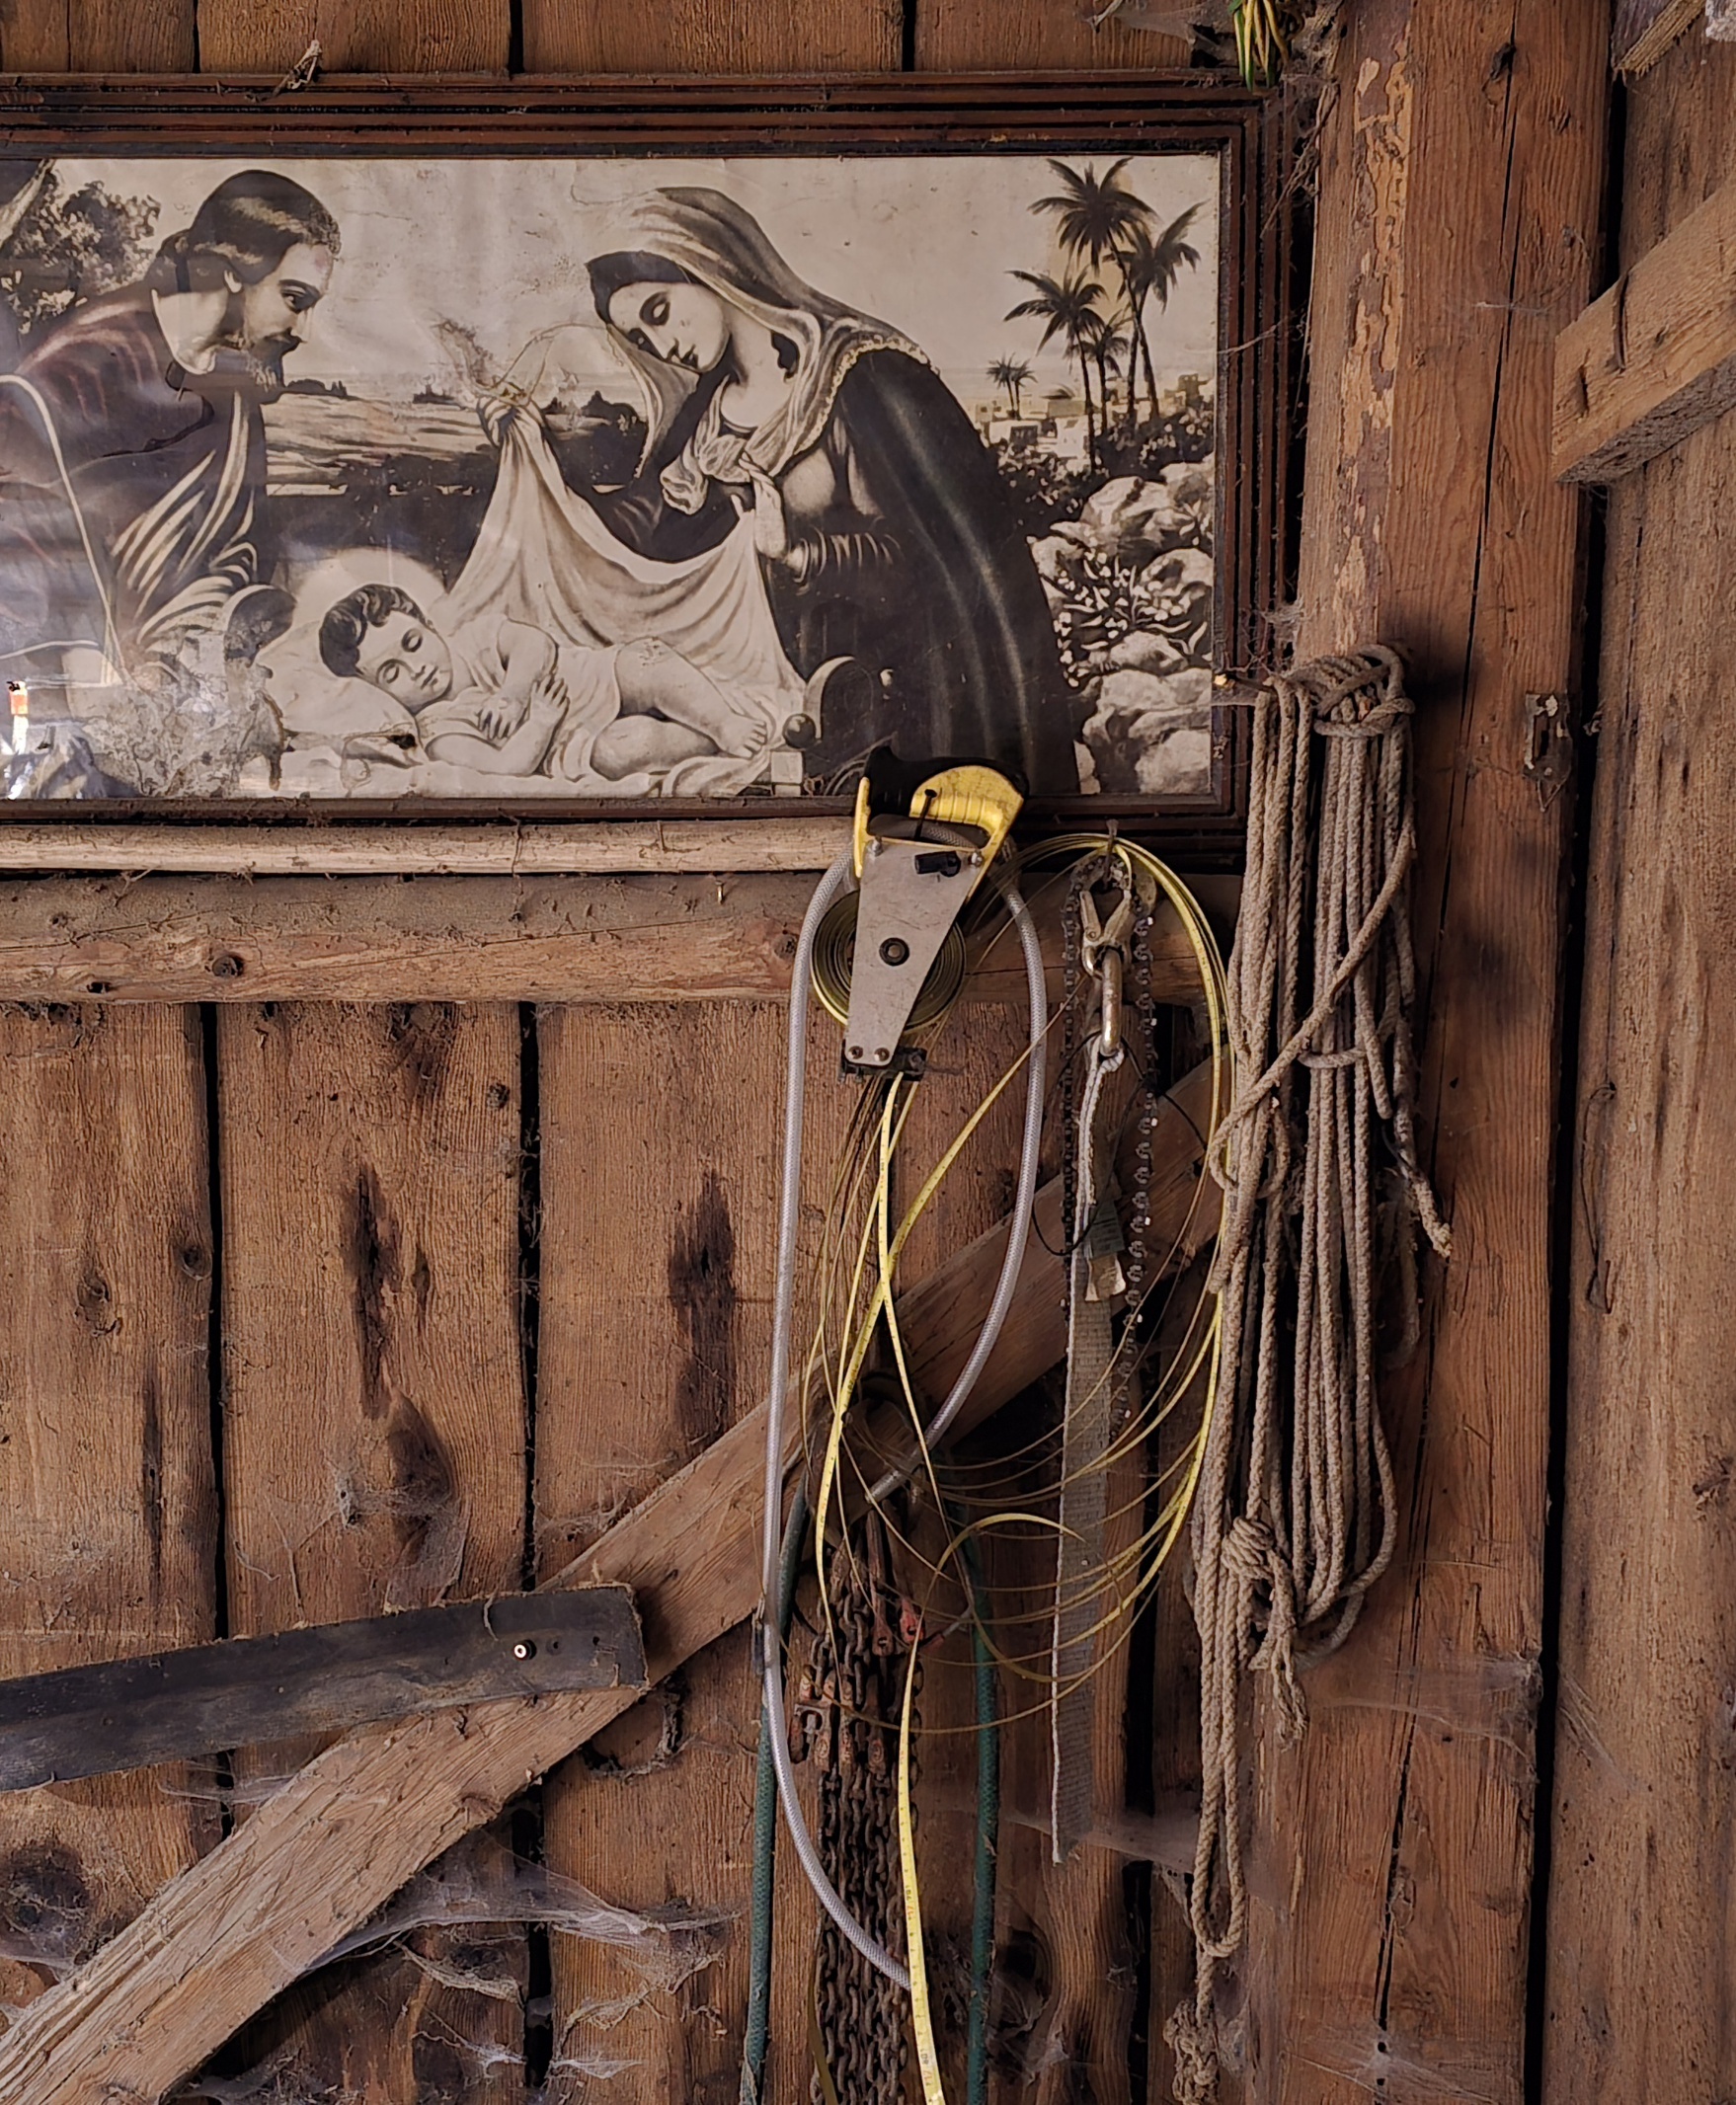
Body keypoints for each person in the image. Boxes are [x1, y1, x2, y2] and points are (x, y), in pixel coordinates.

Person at [565, 188, 1079, 795]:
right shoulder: (702, 421)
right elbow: (643, 535)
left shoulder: (861, 378)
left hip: (869, 697)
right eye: (641, 340)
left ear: (706, 263)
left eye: (659, 311)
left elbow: (922, 565)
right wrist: (537, 462)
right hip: (758, 687)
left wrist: (795, 552)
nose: (663, 346)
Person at [0, 170, 339, 696]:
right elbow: (23, 544)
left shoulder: (234, 387)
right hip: (81, 684)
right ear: (233, 273)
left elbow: (244, 543)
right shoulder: (79, 368)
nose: (304, 332)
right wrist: (98, 671)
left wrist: (210, 623)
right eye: (294, 299)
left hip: (191, 673)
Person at [316, 581, 772, 781]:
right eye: (392, 672)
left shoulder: (473, 639)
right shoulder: (438, 729)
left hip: (593, 680)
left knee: (646, 658)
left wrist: (514, 697)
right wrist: (540, 723)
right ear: (377, 689)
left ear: (427, 625)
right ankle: (710, 745)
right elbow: (504, 768)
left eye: (413, 643)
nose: (417, 668)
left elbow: (534, 644)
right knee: (630, 745)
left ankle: (723, 721)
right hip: (571, 741)